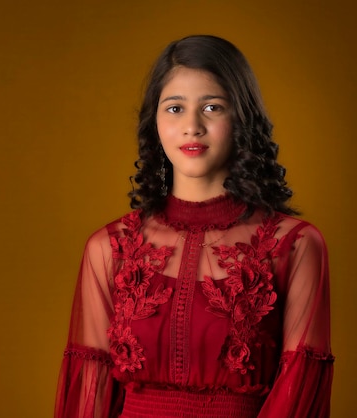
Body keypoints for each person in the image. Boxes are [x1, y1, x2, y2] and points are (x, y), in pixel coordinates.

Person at [54, 34, 334, 418]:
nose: (192, 126)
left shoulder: (294, 245)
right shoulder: (109, 248)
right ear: (154, 122)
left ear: (241, 118)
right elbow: (90, 393)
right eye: (174, 108)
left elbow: (299, 395)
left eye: (212, 107)